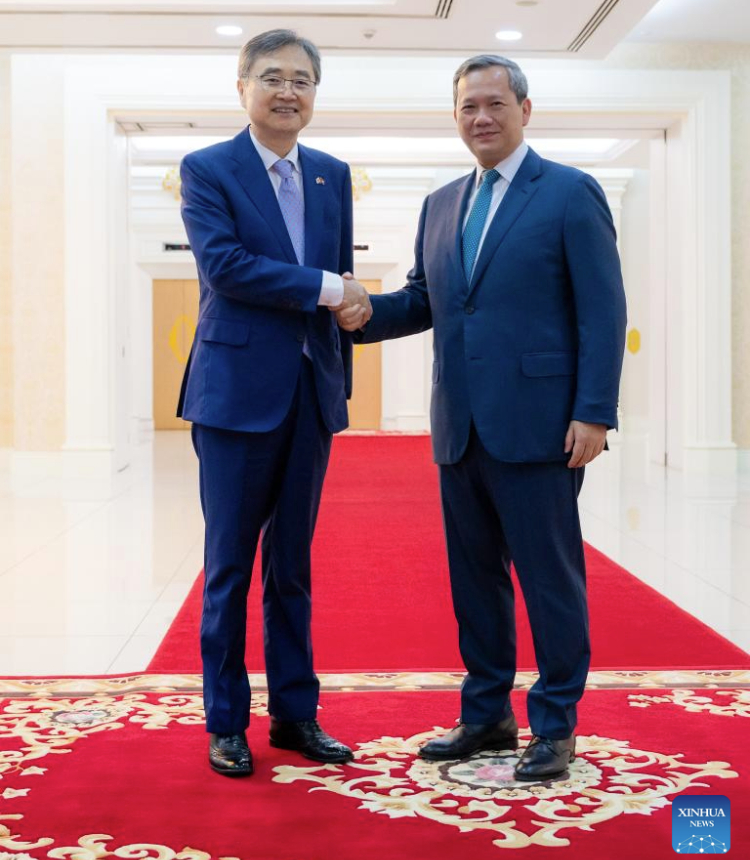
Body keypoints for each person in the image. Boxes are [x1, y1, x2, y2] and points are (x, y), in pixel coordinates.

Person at [339, 55, 626, 781]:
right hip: (459, 426)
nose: (482, 118)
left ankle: (555, 723)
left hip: (541, 427)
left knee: (550, 579)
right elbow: (426, 300)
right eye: (468, 107)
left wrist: (594, 411)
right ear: (457, 116)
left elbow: (602, 310)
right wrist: (361, 311)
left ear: (525, 110)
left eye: (495, 103)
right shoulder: (440, 204)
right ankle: (487, 713)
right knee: (476, 581)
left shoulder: (568, 192)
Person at [178, 29, 371, 777]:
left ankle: (296, 715)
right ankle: (226, 721)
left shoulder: (330, 175)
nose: (287, 91)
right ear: (242, 88)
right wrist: (330, 290)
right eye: (271, 78)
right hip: (233, 400)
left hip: (308, 397)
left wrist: (339, 375)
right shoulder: (207, 169)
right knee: (227, 566)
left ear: (314, 94)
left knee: (292, 568)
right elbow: (225, 268)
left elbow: (343, 282)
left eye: (301, 80)